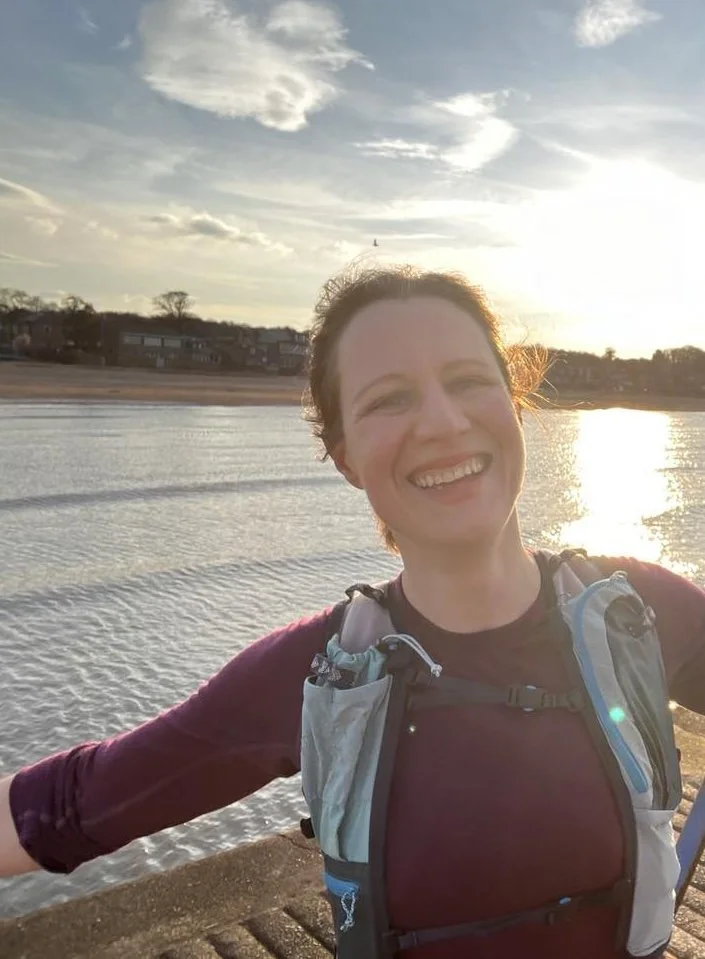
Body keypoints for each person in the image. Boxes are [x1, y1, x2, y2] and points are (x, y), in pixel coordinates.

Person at [2, 264, 705, 959]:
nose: (441, 421)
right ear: (345, 458)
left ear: (513, 402)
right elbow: (73, 805)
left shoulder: (638, 611)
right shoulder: (320, 673)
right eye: (388, 399)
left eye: (466, 381)